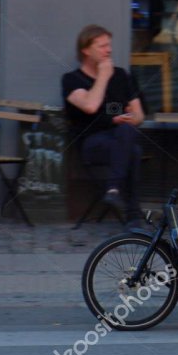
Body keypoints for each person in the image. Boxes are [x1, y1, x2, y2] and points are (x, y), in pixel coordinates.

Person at [62, 25, 146, 226]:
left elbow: (139, 115)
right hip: (92, 144)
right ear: (86, 50)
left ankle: (113, 189)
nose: (108, 50)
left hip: (122, 139)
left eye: (109, 45)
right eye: (102, 46)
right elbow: (90, 106)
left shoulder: (122, 76)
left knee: (129, 141)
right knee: (132, 150)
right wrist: (103, 77)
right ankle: (133, 214)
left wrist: (127, 119)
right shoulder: (71, 80)